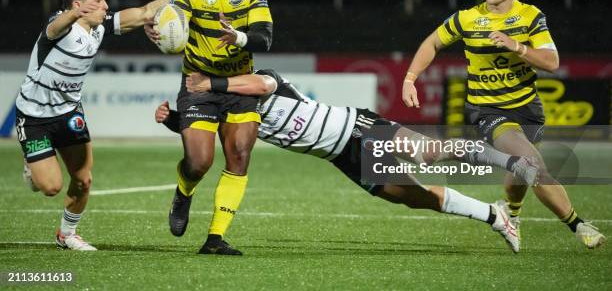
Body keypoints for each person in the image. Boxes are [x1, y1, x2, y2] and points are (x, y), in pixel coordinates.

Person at [155, 69, 524, 253]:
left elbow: (265, 86)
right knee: (416, 196)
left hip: (356, 126)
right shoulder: (226, 111)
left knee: (428, 151)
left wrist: (211, 83)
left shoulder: (254, 78)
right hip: (340, 155)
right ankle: (495, 216)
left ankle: (508, 161)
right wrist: (173, 119)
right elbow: (200, 131)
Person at [402, 0, 605, 249]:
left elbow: (551, 61)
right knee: (531, 164)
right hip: (488, 111)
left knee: (519, 173)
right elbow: (433, 42)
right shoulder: (468, 18)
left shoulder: (531, 17)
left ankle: (510, 213)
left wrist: (517, 46)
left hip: (528, 110)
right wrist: (410, 78)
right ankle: (579, 225)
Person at [16, 0, 177, 251]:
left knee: (84, 179)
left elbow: (143, 13)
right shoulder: (60, 25)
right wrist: (73, 14)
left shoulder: (98, 28)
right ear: (77, 5)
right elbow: (58, 25)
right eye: (99, 1)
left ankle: (67, 234)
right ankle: (33, 162)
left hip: (68, 113)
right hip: (34, 118)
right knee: (51, 187)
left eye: (105, 2)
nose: (105, 6)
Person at [146, 0, 273, 255]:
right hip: (199, 83)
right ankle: (184, 191)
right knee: (199, 162)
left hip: (239, 83)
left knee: (240, 155)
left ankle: (215, 238)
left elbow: (264, 37)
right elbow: (175, 33)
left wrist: (239, 38)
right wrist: (162, 33)